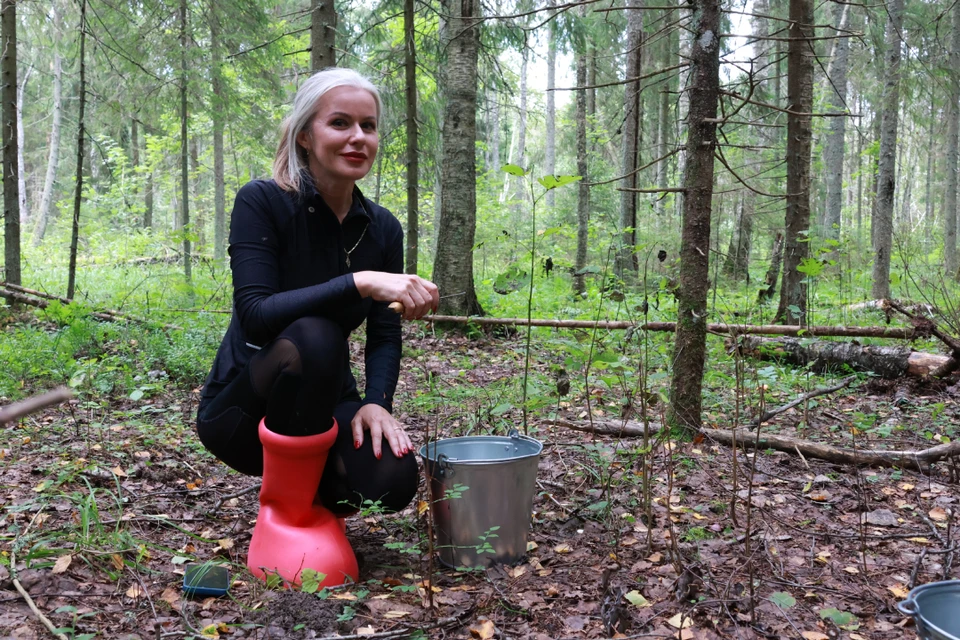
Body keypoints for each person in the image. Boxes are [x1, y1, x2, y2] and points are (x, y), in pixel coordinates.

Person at [196, 67, 439, 517]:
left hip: (326, 403)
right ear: (306, 135)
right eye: (341, 123)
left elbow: (385, 333)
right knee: (314, 334)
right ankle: (285, 512)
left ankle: (311, 499)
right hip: (244, 411)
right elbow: (255, 313)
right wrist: (359, 281)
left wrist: (375, 404)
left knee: (392, 480)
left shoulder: (382, 228)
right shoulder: (262, 201)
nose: (358, 138)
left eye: (368, 126)